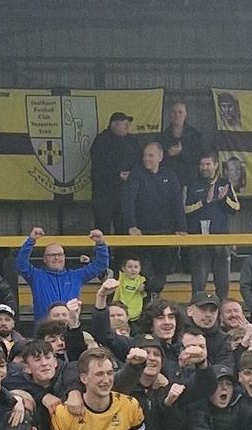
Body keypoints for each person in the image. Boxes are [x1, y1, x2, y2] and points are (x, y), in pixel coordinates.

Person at [122, 142, 187, 299]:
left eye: (150, 155)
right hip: (143, 236)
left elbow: (178, 203)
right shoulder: (137, 175)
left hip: (165, 236)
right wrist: (131, 226)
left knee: (160, 277)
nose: (146, 159)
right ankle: (146, 309)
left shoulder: (170, 176)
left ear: (160, 157)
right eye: (145, 155)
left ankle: (153, 305)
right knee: (145, 276)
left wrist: (182, 227)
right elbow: (128, 202)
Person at [15, 227, 109, 321]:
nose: (56, 258)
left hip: (71, 328)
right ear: (44, 259)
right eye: (52, 255)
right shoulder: (36, 276)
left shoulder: (76, 276)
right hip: (45, 330)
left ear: (64, 257)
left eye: (60, 255)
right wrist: (31, 240)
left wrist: (100, 243)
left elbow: (101, 265)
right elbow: (21, 264)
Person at [184, 154, 240, 303]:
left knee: (223, 287)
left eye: (208, 164)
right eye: (202, 164)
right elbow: (185, 210)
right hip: (199, 242)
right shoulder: (193, 184)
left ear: (216, 165)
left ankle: (223, 317)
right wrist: (204, 202)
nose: (204, 168)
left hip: (221, 242)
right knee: (198, 287)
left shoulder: (224, 183)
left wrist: (224, 199)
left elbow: (236, 208)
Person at [88, 112, 143, 232]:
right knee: (102, 228)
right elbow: (99, 167)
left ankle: (122, 252)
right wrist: (117, 174)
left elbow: (140, 162)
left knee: (123, 229)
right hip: (104, 195)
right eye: (124, 123)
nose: (127, 126)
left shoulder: (132, 141)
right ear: (113, 124)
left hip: (125, 194)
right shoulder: (101, 141)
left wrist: (132, 175)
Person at [159, 101, 207, 172]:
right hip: (168, 176)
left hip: (190, 177)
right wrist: (167, 153)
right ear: (170, 115)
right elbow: (156, 159)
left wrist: (182, 152)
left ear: (186, 115)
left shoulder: (195, 135)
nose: (177, 115)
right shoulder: (162, 137)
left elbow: (202, 156)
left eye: (180, 112)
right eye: (173, 112)